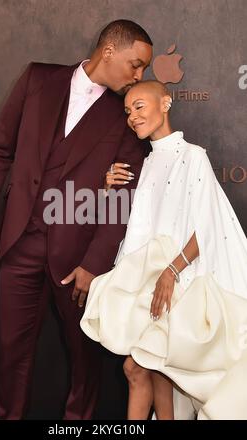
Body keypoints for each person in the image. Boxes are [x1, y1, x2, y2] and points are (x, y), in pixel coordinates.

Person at [0, 20, 153, 420]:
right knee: (10, 354)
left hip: (79, 257)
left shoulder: (127, 112)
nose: (139, 76)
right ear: (109, 51)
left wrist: (95, 263)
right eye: (135, 65)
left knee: (85, 360)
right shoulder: (38, 78)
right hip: (18, 244)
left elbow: (123, 194)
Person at [81, 80, 247, 420]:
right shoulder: (145, 163)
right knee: (147, 372)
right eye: (128, 111)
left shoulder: (193, 156)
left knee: (140, 368)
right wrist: (107, 188)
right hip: (153, 287)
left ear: (166, 104)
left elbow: (208, 229)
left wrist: (172, 272)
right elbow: (133, 226)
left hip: (182, 287)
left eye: (140, 106)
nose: (132, 117)